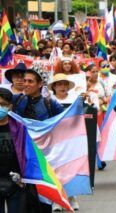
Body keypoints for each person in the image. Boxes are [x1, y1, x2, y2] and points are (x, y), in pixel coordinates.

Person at [12, 67, 66, 212]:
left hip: (43, 156)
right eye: (24, 81)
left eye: (30, 81)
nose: (26, 84)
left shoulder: (50, 103)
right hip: (21, 155)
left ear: (40, 84)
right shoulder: (16, 100)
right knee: (23, 199)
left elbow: (65, 121)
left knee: (43, 197)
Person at [0, 88, 25, 213]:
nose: (0, 108)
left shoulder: (19, 127)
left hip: (15, 182)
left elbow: (27, 153)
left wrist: (23, 178)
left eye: (3, 105)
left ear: (10, 106)